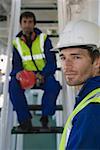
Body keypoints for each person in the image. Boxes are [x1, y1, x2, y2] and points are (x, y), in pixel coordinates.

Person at [9, 11, 61, 130]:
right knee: (13, 86)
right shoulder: (16, 43)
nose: (27, 25)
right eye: (25, 22)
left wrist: (42, 74)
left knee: (54, 86)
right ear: (20, 24)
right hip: (26, 77)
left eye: (30, 22)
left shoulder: (44, 39)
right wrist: (18, 74)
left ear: (34, 24)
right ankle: (25, 121)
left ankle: (45, 116)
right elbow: (16, 65)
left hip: (44, 75)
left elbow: (52, 62)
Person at [52, 20, 100, 149]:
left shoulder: (92, 110)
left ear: (96, 61)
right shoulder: (89, 98)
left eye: (76, 57)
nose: (67, 66)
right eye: (63, 57)